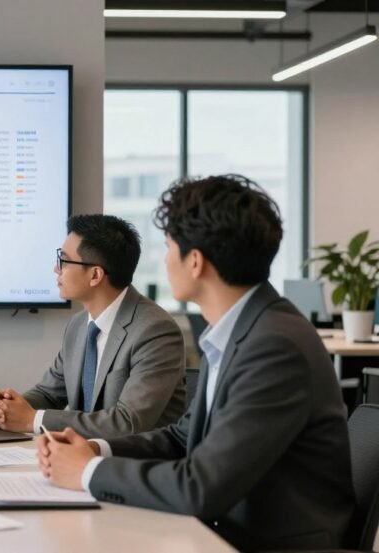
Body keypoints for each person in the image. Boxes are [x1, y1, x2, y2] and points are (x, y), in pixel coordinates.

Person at [39, 175, 355, 551]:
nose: (163, 259)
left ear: (195, 262)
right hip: (222, 529)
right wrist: (95, 449)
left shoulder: (273, 345)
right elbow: (181, 437)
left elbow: (201, 487)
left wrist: (87, 472)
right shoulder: (239, 330)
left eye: (169, 247)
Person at [0, 214, 185, 438]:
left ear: (95, 275)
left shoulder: (154, 330)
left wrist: (32, 420)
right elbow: (50, 393)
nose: (55, 269)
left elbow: (127, 423)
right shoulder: (78, 325)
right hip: (84, 458)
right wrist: (6, 408)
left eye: (64, 261)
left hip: (136, 465)